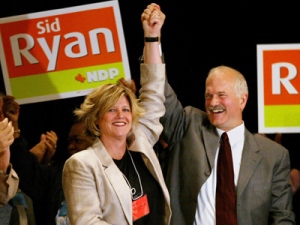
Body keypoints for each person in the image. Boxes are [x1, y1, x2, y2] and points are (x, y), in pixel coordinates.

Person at [62, 3, 171, 225]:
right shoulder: (82, 164)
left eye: (125, 109)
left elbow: (153, 92)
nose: (120, 115)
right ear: (96, 119)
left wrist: (152, 37)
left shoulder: (141, 142)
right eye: (111, 110)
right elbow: (87, 222)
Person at [156, 61, 295, 222]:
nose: (213, 102)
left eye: (221, 95)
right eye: (208, 96)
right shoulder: (189, 126)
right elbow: (160, 93)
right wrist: (152, 41)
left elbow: (282, 216)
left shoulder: (274, 155)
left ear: (242, 101)